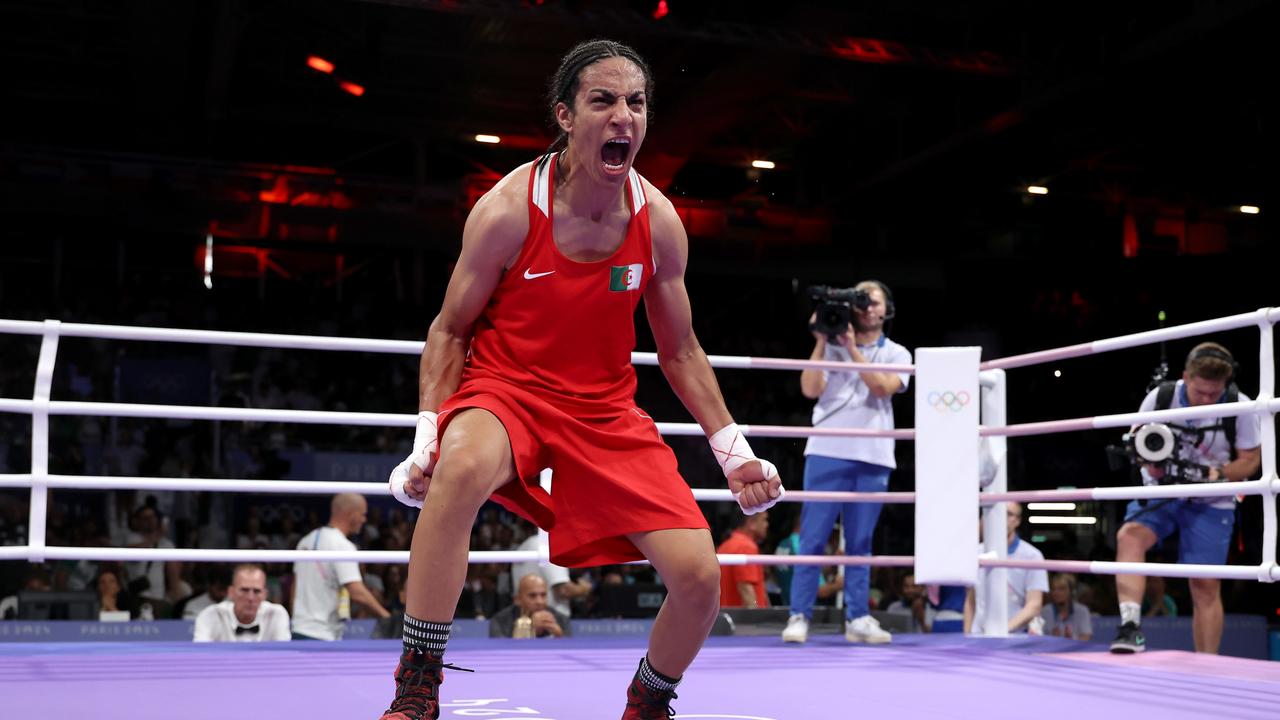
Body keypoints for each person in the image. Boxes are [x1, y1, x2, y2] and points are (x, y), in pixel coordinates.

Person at [379, 39, 784, 720]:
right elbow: (450, 329)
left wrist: (732, 449)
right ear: (566, 116)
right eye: (603, 100)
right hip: (505, 390)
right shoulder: (508, 209)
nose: (623, 115)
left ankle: (648, 700)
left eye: (636, 102)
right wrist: (426, 435)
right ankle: (417, 684)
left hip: (605, 411)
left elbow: (679, 349)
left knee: (698, 578)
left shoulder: (659, 224)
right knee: (458, 470)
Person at [1110, 343, 1261, 654]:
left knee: (1205, 585)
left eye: (1213, 394)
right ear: (1186, 378)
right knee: (1129, 537)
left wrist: (1215, 474)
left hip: (1210, 500)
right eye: (1200, 392)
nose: (1207, 400)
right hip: (1162, 490)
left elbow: (1250, 461)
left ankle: (1207, 664)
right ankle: (1130, 628)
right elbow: (1136, 442)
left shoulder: (1238, 404)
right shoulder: (1161, 397)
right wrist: (1150, 463)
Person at [782, 280, 910, 645]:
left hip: (873, 454)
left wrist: (853, 350)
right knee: (813, 538)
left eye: (874, 301)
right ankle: (798, 615)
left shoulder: (898, 353)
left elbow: (883, 387)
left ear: (886, 310)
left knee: (861, 540)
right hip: (826, 450)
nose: (867, 307)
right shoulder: (829, 348)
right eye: (861, 301)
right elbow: (809, 389)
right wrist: (822, 337)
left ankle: (858, 618)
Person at [291, 494, 391, 640]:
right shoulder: (342, 545)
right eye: (363, 514)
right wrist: (387, 617)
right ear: (352, 514)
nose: (364, 520)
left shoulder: (305, 541)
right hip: (322, 634)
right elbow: (357, 592)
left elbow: (294, 588)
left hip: (299, 629)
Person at [966, 503, 1048, 634]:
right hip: (978, 635)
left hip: (1015, 637)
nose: (1002, 518)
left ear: (1017, 521)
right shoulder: (976, 552)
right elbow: (971, 600)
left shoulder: (1032, 556)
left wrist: (1002, 631)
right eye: (998, 513)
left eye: (1008, 514)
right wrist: (967, 636)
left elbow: (1034, 605)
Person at [510, 520, 593, 620]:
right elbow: (563, 590)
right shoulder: (547, 546)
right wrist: (584, 589)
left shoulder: (522, 547)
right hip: (551, 618)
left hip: (524, 617)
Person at [194, 564, 290, 642]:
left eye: (256, 591)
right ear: (231, 592)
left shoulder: (276, 614)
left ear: (264, 595)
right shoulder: (210, 615)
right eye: (244, 590)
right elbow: (200, 657)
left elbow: (283, 658)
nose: (250, 598)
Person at [488, 573, 571, 639]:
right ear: (517, 600)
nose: (540, 601)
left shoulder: (561, 620)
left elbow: (571, 651)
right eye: (532, 596)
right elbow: (501, 652)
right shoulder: (500, 621)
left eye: (543, 595)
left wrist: (559, 637)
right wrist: (530, 630)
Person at [717, 511, 770, 608]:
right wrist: (755, 619)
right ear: (751, 523)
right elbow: (746, 589)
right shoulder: (746, 546)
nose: (767, 524)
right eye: (764, 520)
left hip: (727, 616)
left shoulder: (724, 546)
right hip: (745, 620)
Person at [1041, 573, 1092, 641]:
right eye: (1054, 589)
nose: (1056, 592)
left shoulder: (1082, 611)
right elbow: (1039, 638)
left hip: (1075, 650)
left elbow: (1086, 637)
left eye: (1062, 589)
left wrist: (1071, 640)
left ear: (1071, 591)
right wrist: (1052, 639)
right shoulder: (1044, 611)